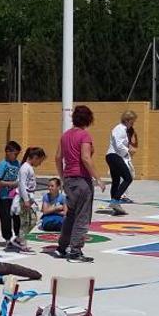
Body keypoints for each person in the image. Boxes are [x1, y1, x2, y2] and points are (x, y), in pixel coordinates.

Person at [55, 105, 106, 262]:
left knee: (70, 215)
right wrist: (97, 178)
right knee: (82, 217)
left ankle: (62, 247)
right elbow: (85, 157)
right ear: (88, 119)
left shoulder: (65, 136)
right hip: (82, 179)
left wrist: (63, 177)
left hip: (69, 179)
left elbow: (57, 157)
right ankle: (75, 251)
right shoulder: (84, 136)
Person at [105, 110, 137, 215]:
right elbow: (118, 145)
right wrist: (128, 151)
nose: (132, 124)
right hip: (115, 155)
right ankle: (115, 200)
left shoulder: (120, 129)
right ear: (127, 120)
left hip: (112, 156)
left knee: (116, 180)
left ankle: (115, 204)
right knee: (128, 178)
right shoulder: (121, 129)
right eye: (132, 122)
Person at [14, 147, 46, 253]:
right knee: (26, 221)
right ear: (35, 157)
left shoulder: (29, 168)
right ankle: (22, 244)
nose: (40, 164)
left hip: (30, 198)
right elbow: (22, 184)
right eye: (40, 161)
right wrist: (26, 199)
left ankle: (19, 238)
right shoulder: (24, 168)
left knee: (32, 220)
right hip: (25, 198)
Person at [0, 141, 22, 249]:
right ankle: (7, 238)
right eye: (15, 154)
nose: (16, 157)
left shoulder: (17, 164)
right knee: (5, 218)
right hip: (5, 196)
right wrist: (12, 184)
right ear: (7, 152)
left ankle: (18, 237)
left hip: (15, 196)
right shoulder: (2, 165)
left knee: (17, 218)